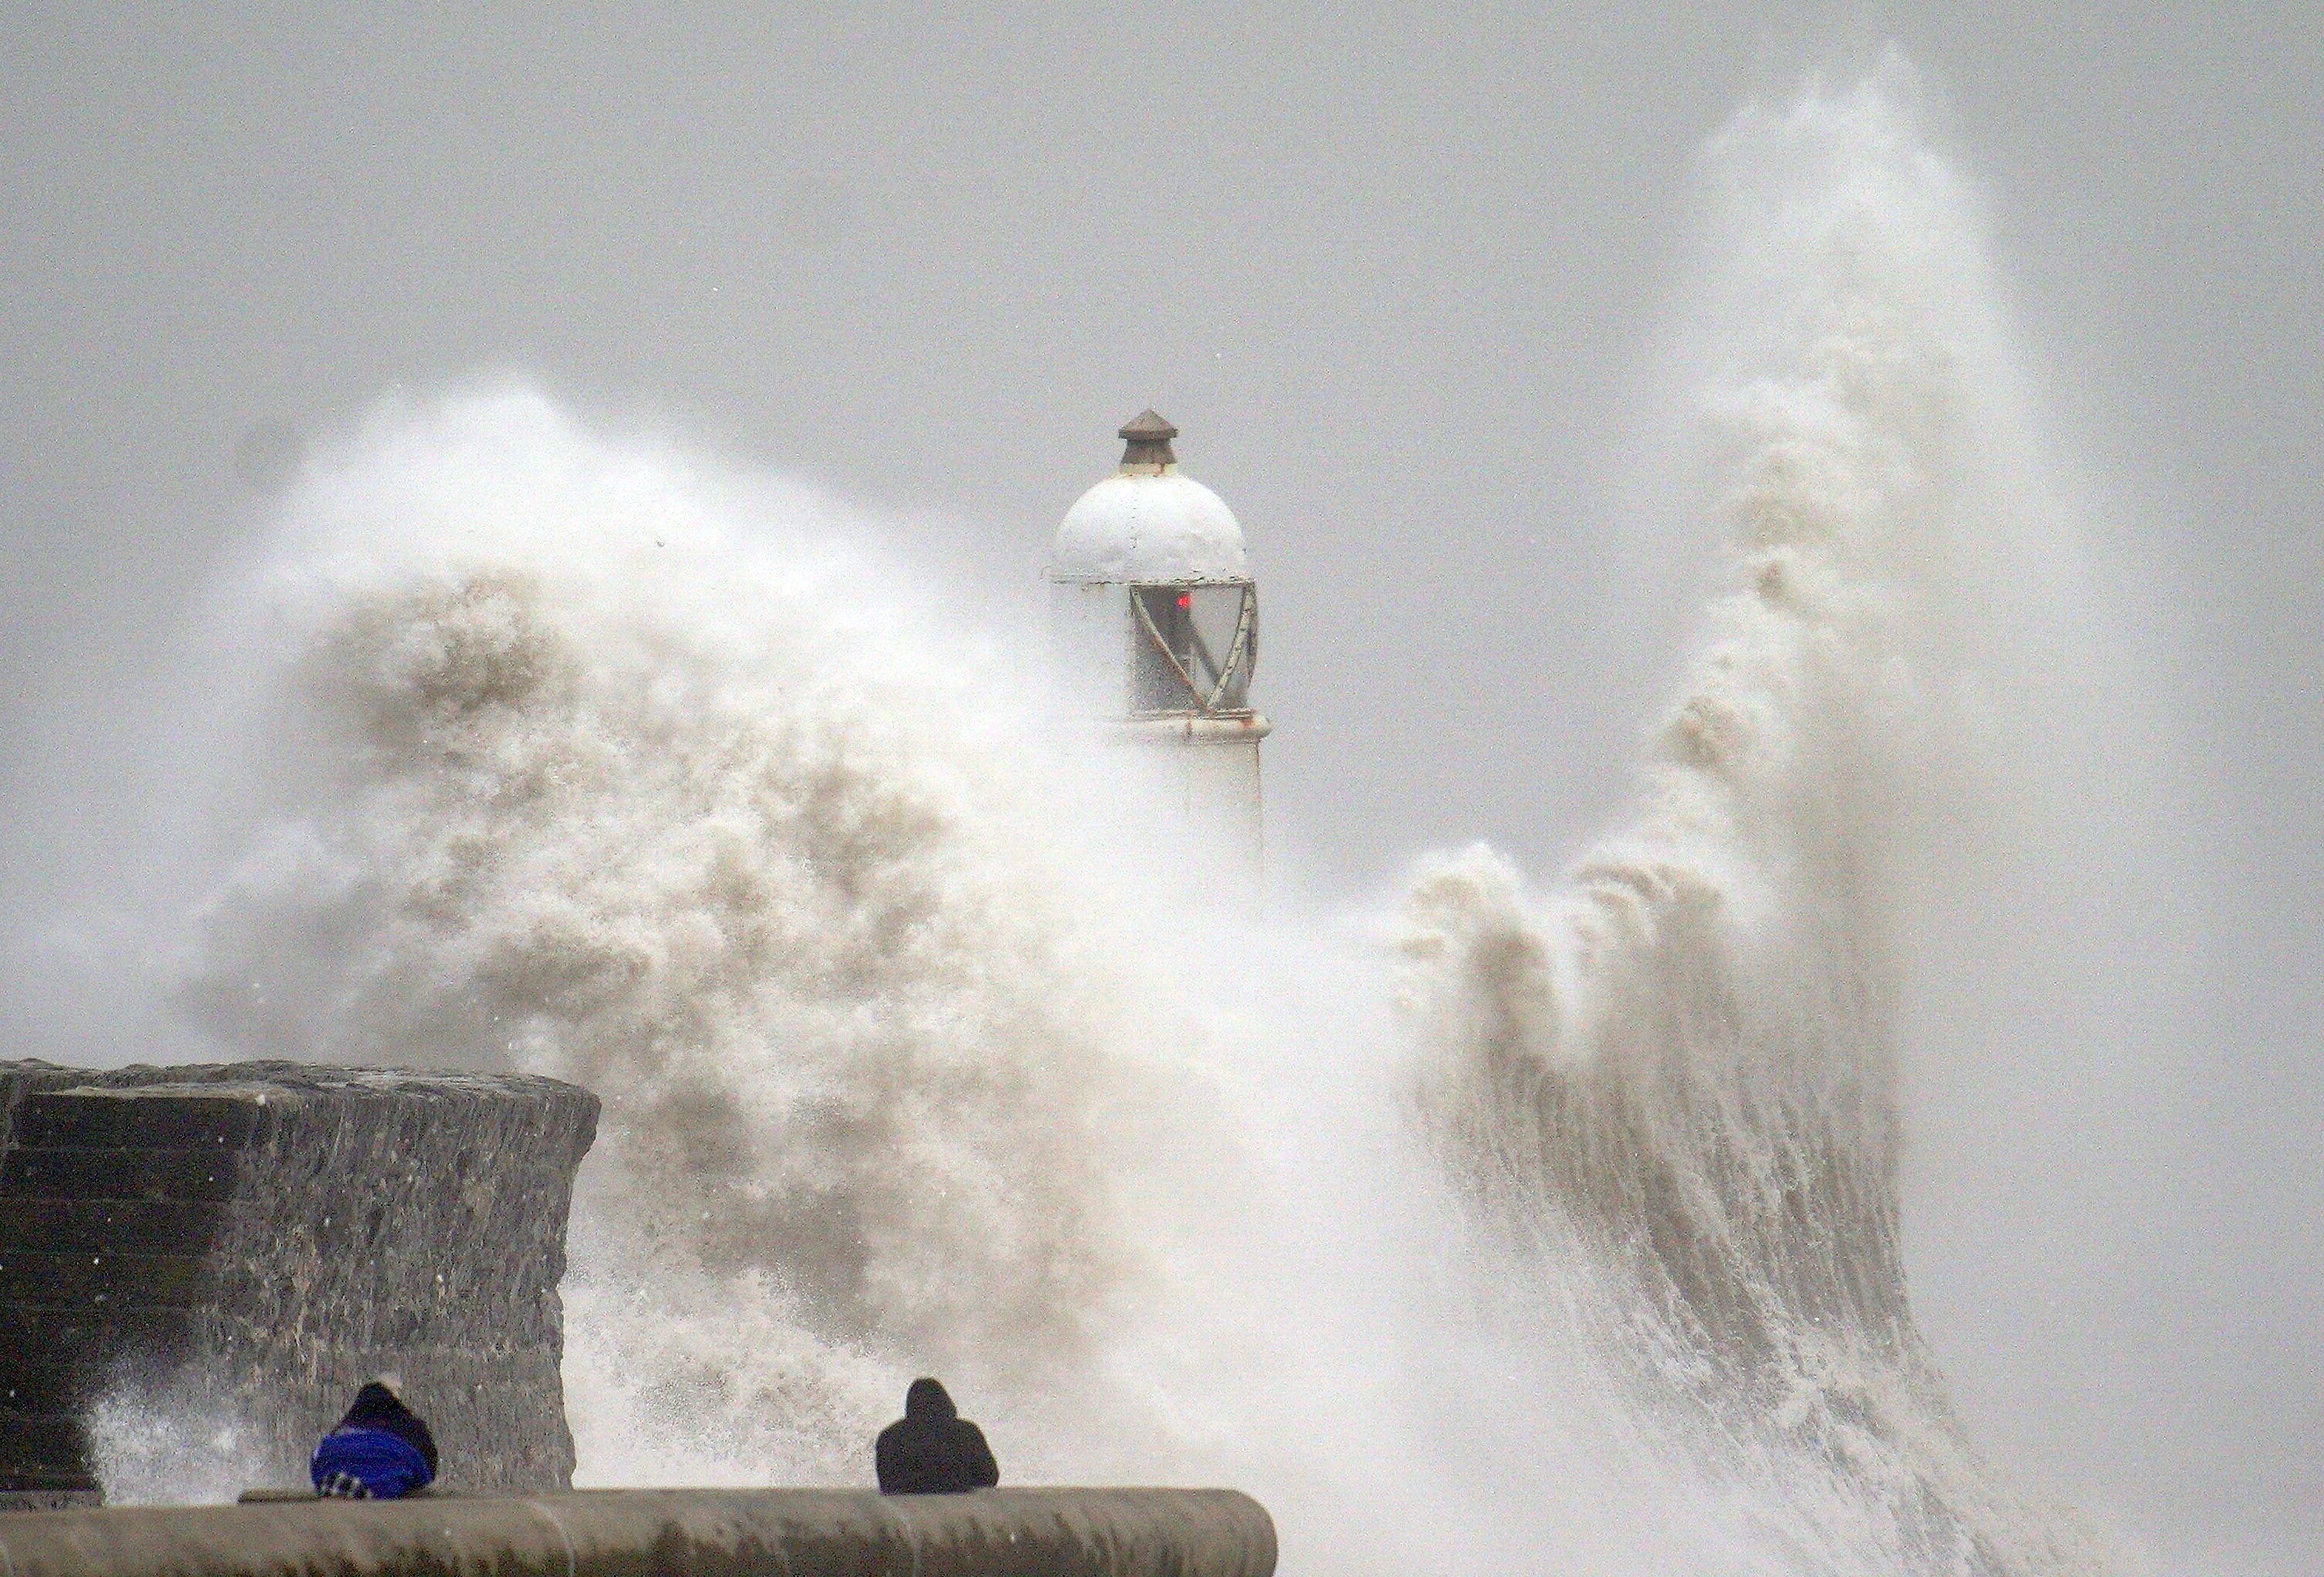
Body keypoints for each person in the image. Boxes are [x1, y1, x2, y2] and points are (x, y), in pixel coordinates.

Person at [309, 1379, 439, 1500]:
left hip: (337, 1487)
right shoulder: (410, 1429)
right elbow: (426, 1472)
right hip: (387, 1488)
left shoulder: (339, 1433)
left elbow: (316, 1468)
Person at [874, 1378, 998, 1493]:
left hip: (910, 1511)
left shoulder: (890, 1436)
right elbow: (990, 1477)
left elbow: (887, 1484)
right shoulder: (967, 1432)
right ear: (947, 1402)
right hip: (961, 1508)